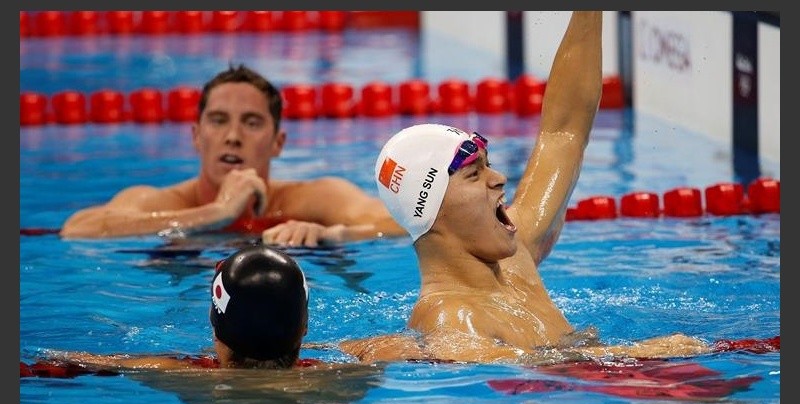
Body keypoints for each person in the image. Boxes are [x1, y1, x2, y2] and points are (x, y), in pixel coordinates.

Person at [339, 11, 725, 364]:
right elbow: (516, 373)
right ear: (432, 211)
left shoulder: (514, 256)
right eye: (475, 175)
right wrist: (641, 353)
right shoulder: (451, 315)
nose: (500, 178)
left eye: (487, 166)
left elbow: (564, 132)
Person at [59, 64, 406, 247]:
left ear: (278, 143)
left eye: (252, 123)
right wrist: (213, 214)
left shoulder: (314, 198)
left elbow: (401, 223)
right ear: (197, 136)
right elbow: (77, 229)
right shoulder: (163, 201)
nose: (233, 137)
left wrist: (335, 235)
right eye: (218, 121)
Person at [22, 245, 313, 371]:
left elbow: (71, 360)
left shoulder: (175, 372)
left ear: (215, 327)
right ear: (304, 325)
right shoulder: (334, 374)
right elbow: (362, 347)